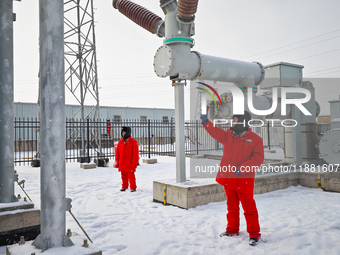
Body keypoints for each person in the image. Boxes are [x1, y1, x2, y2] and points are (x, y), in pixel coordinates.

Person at [201, 110, 264, 246]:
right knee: (232, 207)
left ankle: (254, 234)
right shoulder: (228, 135)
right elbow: (215, 132)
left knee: (249, 209)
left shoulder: (255, 140)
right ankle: (232, 230)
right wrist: (206, 122)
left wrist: (242, 168)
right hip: (229, 178)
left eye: (235, 119)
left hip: (244, 180)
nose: (233, 122)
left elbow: (257, 159)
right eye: (233, 119)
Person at [114, 126, 139, 192]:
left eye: (124, 132)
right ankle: (124, 186)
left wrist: (134, 164)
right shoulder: (120, 142)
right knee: (123, 175)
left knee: (131, 176)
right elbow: (117, 154)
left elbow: (135, 155)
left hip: (129, 163)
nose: (123, 134)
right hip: (122, 162)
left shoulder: (133, 142)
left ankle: (133, 187)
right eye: (122, 132)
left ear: (128, 132)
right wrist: (116, 163)